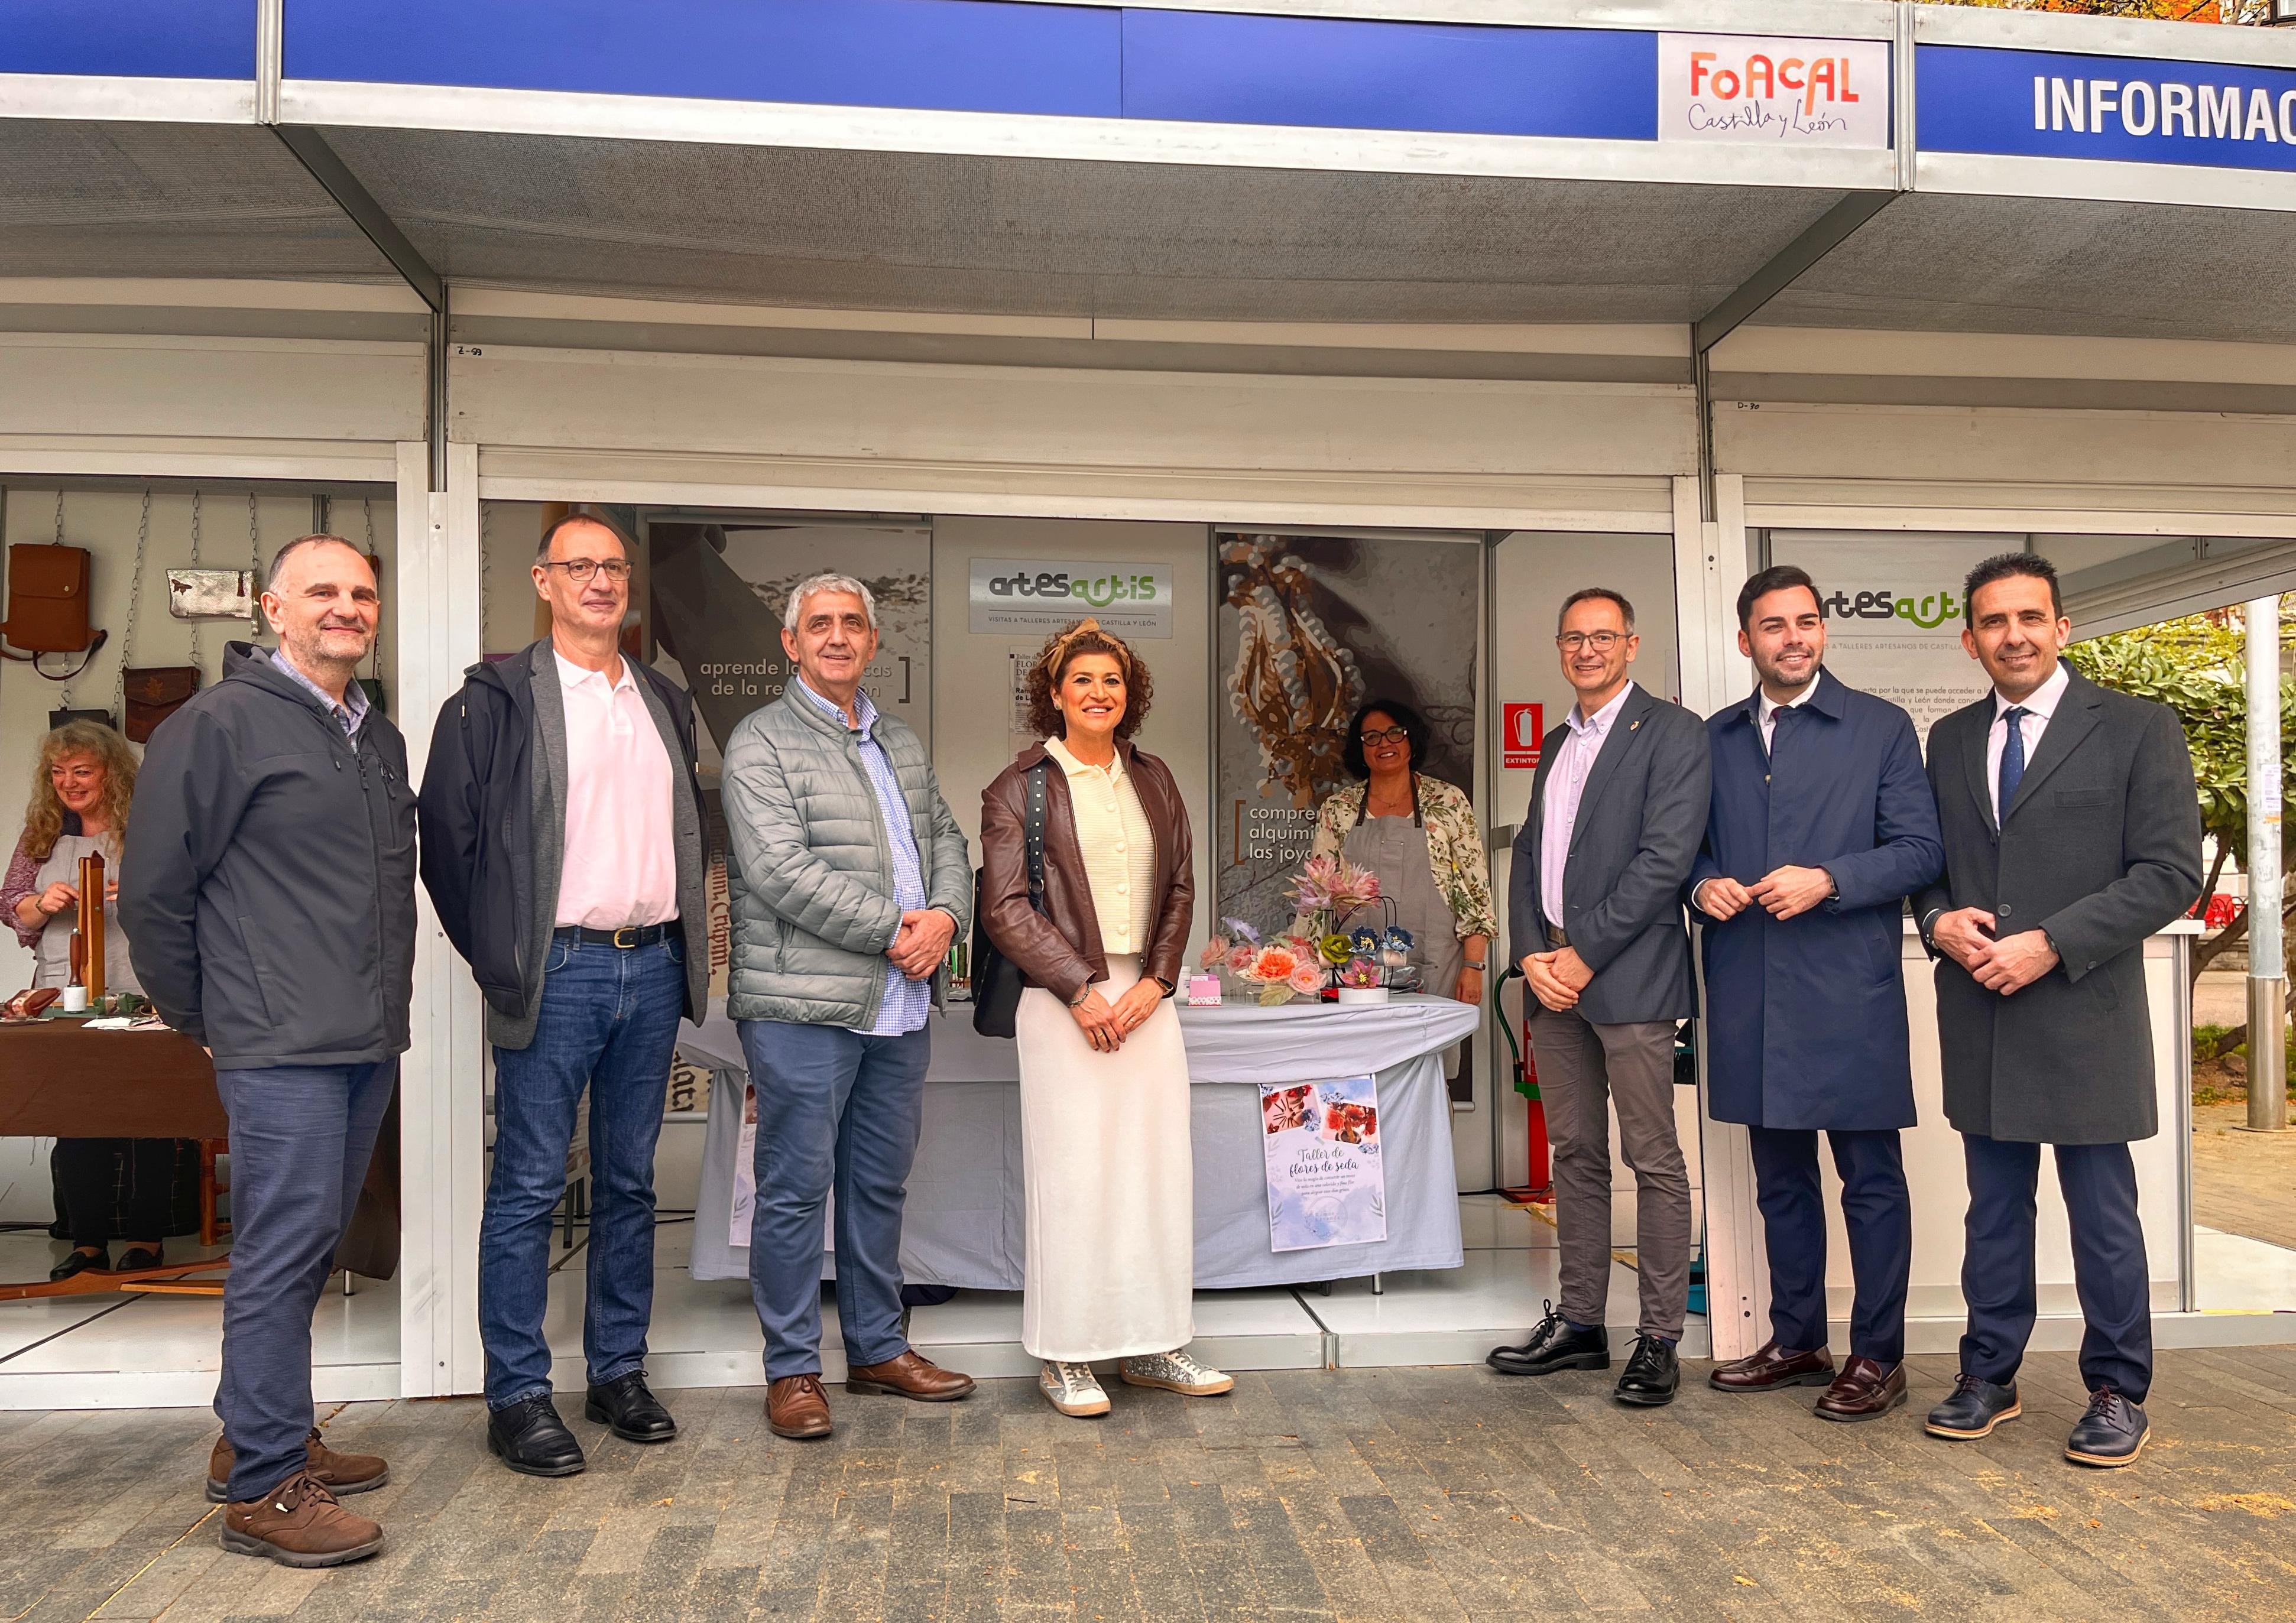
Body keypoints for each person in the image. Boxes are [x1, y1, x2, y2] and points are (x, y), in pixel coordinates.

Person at [121, 534, 410, 1566]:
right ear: (273, 610)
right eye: (322, 590)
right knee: (282, 1249)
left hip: (363, 1035)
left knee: (312, 1243)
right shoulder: (217, 725)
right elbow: (153, 894)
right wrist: (209, 1018)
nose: (347, 607)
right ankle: (264, 1489)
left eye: (362, 592)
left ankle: (257, 1430)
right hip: (278, 1040)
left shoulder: (376, 736)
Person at [418, 512, 710, 1478]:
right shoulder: (495, 699)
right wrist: (501, 956)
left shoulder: (661, 697)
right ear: (542, 581)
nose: (600, 581)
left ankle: (617, 1372)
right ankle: (517, 1394)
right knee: (530, 1183)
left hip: (652, 964)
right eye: (579, 565)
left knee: (630, 1180)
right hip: (556, 969)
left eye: (614, 566)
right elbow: (446, 845)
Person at [1915, 554, 2201, 1468]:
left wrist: (2051, 940)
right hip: (1983, 1014)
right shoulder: (1950, 739)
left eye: (2030, 617)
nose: (2015, 636)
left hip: (2085, 1012)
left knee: (2103, 1216)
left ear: (2063, 627)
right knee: (1993, 1212)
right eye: (1994, 622)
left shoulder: (2138, 728)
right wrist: (1936, 920)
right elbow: (1930, 864)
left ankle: (2118, 1388)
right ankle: (1988, 1374)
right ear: (1970, 640)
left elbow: (2170, 873)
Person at [720, 571, 975, 1441]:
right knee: (795, 1189)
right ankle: (792, 1368)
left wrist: (947, 918)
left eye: (853, 623)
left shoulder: (898, 738)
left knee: (877, 1183)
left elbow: (947, 840)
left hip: (897, 1005)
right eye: (820, 623)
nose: (838, 636)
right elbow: (778, 869)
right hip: (802, 1008)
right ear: (790, 643)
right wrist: (897, 929)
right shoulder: (760, 739)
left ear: (872, 640)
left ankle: (877, 1348)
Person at [1691, 566, 1943, 1421]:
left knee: (1870, 1179)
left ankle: (1879, 1355)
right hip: (1750, 986)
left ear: (1824, 631)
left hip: (1846, 990)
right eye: (1773, 625)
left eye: (1805, 621)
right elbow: (1683, 848)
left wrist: (1828, 878)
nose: (1792, 637)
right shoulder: (1714, 739)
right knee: (1781, 1181)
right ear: (1745, 640)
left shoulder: (1879, 727)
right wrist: (1701, 886)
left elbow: (1919, 851)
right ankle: (1798, 1340)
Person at [982, 618, 1230, 1418]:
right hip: (1062, 1001)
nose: (1099, 692)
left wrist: (1157, 981)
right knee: (1074, 1176)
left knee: (1156, 1173)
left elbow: (1181, 885)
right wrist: (1080, 989)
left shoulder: (1153, 778)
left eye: (1112, 680)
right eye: (1082, 680)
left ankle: (1156, 1342)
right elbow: (1004, 907)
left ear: (1131, 695)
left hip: (1148, 1002)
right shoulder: (1019, 786)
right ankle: (1066, 1353)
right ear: (1054, 695)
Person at [1489, 587, 1709, 1407]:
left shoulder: (1674, 732)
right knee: (1574, 1154)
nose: (1587, 649)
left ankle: (1659, 1337)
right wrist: (1529, 955)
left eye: (1603, 636)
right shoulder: (1558, 741)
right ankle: (1581, 1323)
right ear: (1559, 648)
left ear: (1631, 644)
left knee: (1652, 1157)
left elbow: (1665, 859)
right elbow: (1530, 855)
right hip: (1552, 978)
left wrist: (1582, 955)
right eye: (1573, 638)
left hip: (1631, 976)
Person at [4, 720, 196, 1282]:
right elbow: (12, 903)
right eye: (58, 773)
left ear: (111, 773)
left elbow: (187, 892)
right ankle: (86, 1242)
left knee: (151, 1117)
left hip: (143, 988)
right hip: (67, 995)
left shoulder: (146, 826)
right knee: (76, 1115)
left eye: (82, 771)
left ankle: (146, 1237)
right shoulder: (43, 832)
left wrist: (134, 893)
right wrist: (42, 902)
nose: (69, 783)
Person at [1307, 698, 1497, 1011]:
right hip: (1357, 967)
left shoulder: (1448, 801)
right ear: (1360, 748)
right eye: (1371, 737)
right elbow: (1319, 895)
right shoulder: (1338, 809)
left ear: (1412, 739)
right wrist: (1310, 964)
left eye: (1395, 733)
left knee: (1432, 1041)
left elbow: (1475, 893)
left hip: (1437, 964)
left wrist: (1473, 966)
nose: (1384, 743)